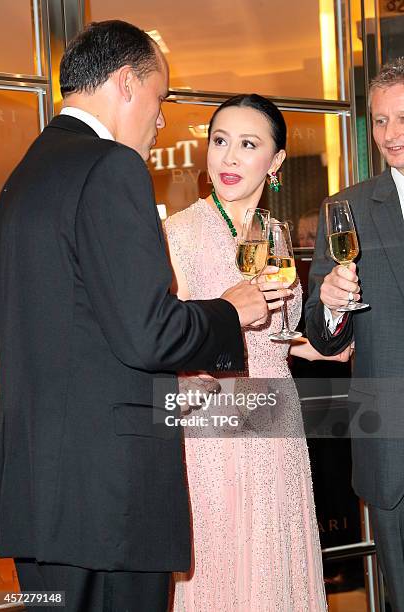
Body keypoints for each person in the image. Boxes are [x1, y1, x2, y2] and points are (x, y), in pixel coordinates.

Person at [0, 22, 272, 612]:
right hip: (111, 502)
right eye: (161, 98)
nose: (162, 118)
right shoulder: (110, 167)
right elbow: (148, 331)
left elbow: (78, 337)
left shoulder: (23, 179)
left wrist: (165, 388)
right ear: (127, 83)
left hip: (44, 498)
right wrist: (230, 312)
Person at [165, 94, 351, 611]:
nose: (228, 158)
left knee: (276, 554)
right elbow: (162, 335)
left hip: (275, 418)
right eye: (220, 141)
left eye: (248, 145)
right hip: (212, 421)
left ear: (275, 162)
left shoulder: (275, 233)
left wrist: (313, 348)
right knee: (221, 560)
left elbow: (275, 330)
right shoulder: (178, 235)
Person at [305, 57, 404, 612]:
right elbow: (321, 337)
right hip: (392, 441)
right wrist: (331, 303)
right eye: (380, 121)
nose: (391, 135)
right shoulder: (345, 208)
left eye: (402, 118)